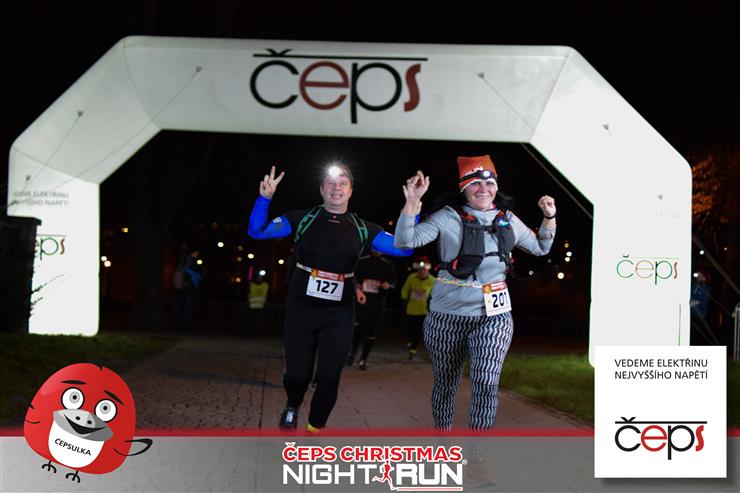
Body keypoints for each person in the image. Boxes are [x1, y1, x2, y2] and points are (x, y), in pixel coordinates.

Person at [393, 155, 556, 430]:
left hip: (495, 316)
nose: (483, 189)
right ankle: (443, 440)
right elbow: (404, 242)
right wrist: (412, 203)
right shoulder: (447, 217)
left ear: (496, 187)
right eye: (475, 183)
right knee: (446, 384)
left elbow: (541, 247)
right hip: (447, 316)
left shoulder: (507, 219)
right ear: (464, 188)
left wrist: (549, 217)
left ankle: (478, 451)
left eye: (489, 183)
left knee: (486, 381)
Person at [248, 164, 412, 432]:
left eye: (343, 182)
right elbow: (257, 231)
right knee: (298, 374)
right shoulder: (302, 218)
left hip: (340, 312)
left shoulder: (363, 228)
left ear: (351, 190)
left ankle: (315, 427)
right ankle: (292, 403)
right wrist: (264, 199)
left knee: (329, 374)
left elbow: (404, 249)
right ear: (322, 189)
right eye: (330, 182)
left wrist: (411, 210)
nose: (336, 188)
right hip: (301, 308)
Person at [349, 251, 397, 370]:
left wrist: (388, 285)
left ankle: (363, 359)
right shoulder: (361, 260)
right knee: (357, 328)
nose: (377, 250)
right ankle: (352, 353)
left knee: (371, 330)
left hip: (377, 302)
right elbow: (352, 276)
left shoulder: (388, 264)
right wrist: (357, 286)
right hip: (361, 300)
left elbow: (394, 282)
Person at [400, 255, 436, 360]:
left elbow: (436, 295)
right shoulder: (412, 277)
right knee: (408, 330)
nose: (422, 271)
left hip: (424, 311)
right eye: (420, 269)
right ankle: (409, 343)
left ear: (428, 269)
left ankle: (413, 350)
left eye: (424, 269)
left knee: (418, 331)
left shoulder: (433, 280)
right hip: (410, 309)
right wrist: (404, 299)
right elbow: (405, 289)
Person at [173, 247, 202, 334]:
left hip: (187, 287)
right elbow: (186, 272)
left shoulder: (189, 260)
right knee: (186, 308)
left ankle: (182, 327)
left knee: (185, 308)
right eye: (196, 252)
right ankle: (183, 327)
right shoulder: (188, 260)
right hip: (188, 287)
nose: (197, 254)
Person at [690, 271, 718, 344]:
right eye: (698, 276)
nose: (698, 277)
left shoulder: (706, 288)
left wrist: (694, 302)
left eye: (700, 276)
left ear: (704, 278)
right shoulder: (693, 286)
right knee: (690, 336)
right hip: (691, 315)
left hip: (700, 317)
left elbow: (704, 302)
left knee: (698, 337)